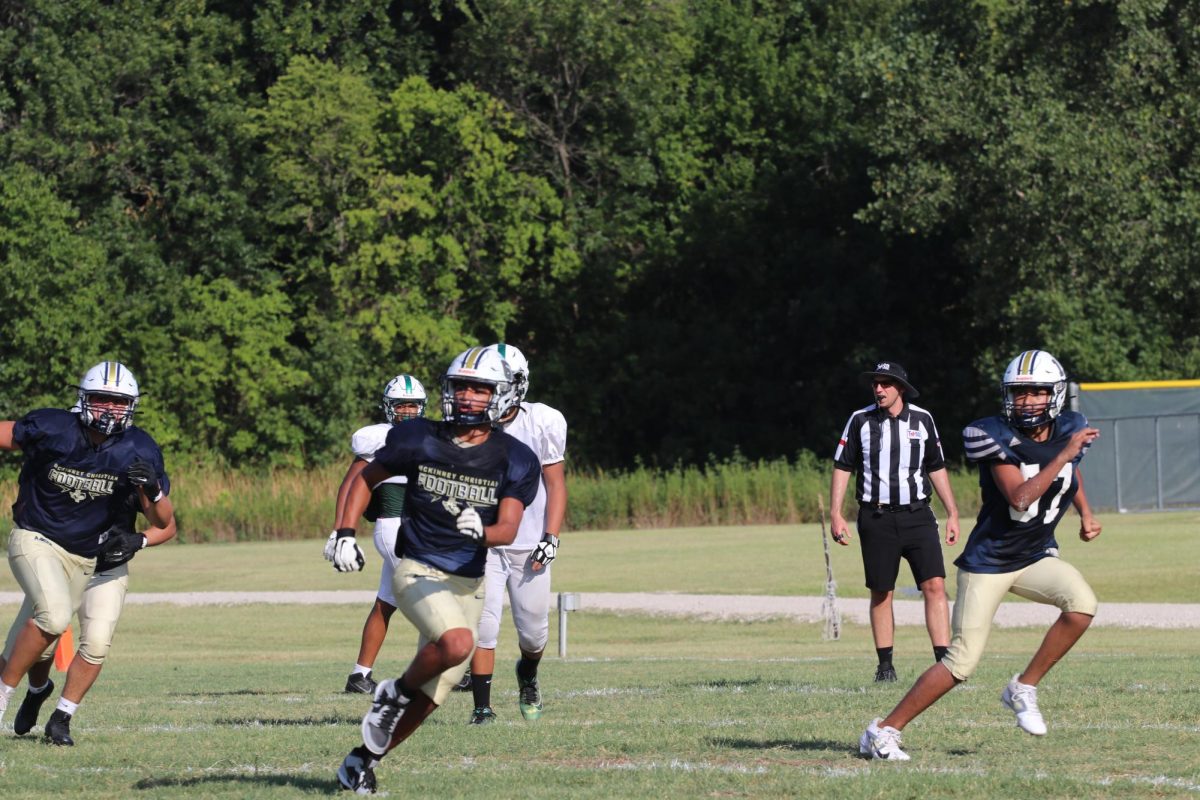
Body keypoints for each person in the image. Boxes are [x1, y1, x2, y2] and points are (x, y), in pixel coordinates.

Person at [859, 349, 1102, 761]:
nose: (1026, 402)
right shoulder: (989, 433)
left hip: (1034, 556)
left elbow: (1069, 469)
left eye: (1035, 393)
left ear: (1054, 395)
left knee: (1082, 606)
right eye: (1018, 394)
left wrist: (1085, 512)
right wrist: (1063, 454)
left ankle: (1023, 687)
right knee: (960, 664)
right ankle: (882, 731)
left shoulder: (1069, 428)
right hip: (989, 564)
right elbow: (1021, 497)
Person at [335, 346, 540, 794]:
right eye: (461, 386)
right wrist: (345, 531)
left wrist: (482, 532)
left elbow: (507, 528)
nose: (467, 396)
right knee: (457, 642)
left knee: (438, 692)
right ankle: (393, 692)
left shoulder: (516, 456)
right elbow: (364, 479)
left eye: (480, 388)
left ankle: (364, 759)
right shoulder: (418, 437)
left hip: (470, 581)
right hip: (418, 569)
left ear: (501, 395)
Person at [0, 361, 174, 738]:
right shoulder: (54, 428)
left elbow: (166, 522)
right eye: (102, 399)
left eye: (119, 402)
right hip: (40, 538)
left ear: (131, 406)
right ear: (84, 398)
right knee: (53, 619)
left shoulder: (138, 449)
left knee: (88, 641)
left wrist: (143, 525)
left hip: (98, 558)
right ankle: (9, 695)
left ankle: (59, 715)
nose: (110, 409)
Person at [5, 492, 176, 745]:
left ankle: (62, 718)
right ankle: (38, 689)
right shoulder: (69, 460)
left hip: (106, 571)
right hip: (61, 564)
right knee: (40, 643)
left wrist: (139, 540)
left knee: (97, 643)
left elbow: (168, 525)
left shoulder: (128, 465)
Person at [830, 361, 960, 683]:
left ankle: (943, 664)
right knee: (881, 591)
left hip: (918, 515)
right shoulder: (860, 420)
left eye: (885, 384)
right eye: (875, 384)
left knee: (935, 585)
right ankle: (885, 666)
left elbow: (936, 466)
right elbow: (842, 466)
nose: (878, 389)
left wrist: (953, 513)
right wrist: (836, 512)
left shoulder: (922, 419)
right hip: (876, 517)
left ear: (900, 387)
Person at [467, 343, 567, 725]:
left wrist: (551, 535)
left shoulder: (542, 421)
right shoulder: (469, 425)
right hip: (486, 541)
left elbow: (555, 484)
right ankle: (482, 707)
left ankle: (528, 673)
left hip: (528, 543)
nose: (482, 394)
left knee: (534, 634)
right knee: (484, 622)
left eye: (492, 385)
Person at [323, 374, 428, 694]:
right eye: (401, 406)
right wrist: (341, 531)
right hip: (395, 527)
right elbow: (352, 485)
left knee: (386, 602)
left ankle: (359, 675)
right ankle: (435, 667)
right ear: (388, 408)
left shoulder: (432, 434)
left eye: (413, 406)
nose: (408, 412)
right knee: (434, 597)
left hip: (419, 530)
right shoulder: (378, 438)